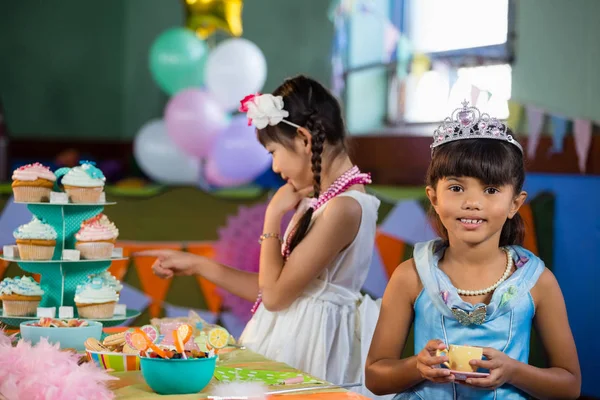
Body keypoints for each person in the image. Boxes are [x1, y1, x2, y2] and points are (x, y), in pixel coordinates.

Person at [139, 75, 387, 397]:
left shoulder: (344, 208)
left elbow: (274, 297)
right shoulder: (323, 200)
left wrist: (273, 215)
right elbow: (272, 289)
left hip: (309, 352)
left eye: (272, 151)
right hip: (292, 336)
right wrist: (199, 265)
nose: (273, 166)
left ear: (303, 139)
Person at [365, 101, 581, 399]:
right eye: (456, 188)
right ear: (434, 198)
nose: (472, 202)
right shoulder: (411, 276)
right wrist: (418, 366)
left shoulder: (537, 282)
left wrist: (513, 371)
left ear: (515, 204)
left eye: (491, 190)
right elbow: (375, 377)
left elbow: (569, 385)